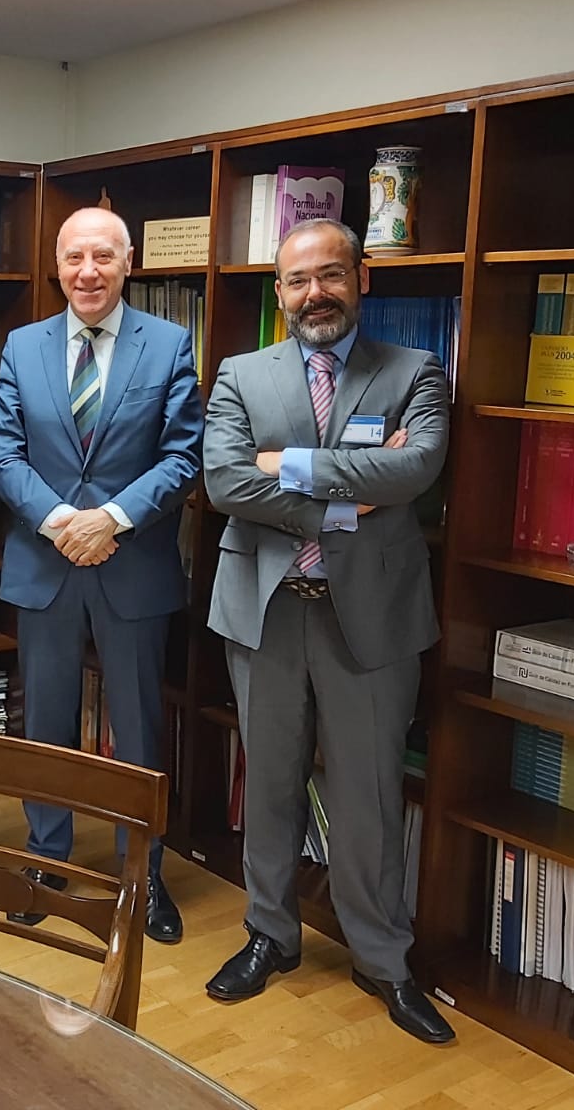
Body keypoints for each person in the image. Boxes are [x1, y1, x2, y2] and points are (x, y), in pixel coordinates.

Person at [200, 217, 453, 1044]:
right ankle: (268, 936)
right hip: (266, 612)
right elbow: (227, 481)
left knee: (370, 795)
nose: (316, 294)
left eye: (331, 275)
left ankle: (384, 959)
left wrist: (289, 465)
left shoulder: (415, 371)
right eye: (299, 280)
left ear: (360, 279)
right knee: (267, 783)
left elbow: (416, 469)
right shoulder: (241, 374)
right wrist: (347, 499)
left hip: (370, 622)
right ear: (279, 292)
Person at [0, 206, 201, 943]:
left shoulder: (170, 345)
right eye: (75, 258)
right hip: (47, 564)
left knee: (139, 727)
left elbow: (181, 458)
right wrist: (62, 524)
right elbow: (4, 456)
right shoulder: (22, 345)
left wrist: (108, 519)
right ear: (56, 263)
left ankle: (142, 874)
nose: (88, 272)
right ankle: (45, 860)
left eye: (103, 257)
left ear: (128, 260)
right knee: (44, 726)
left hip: (130, 563)